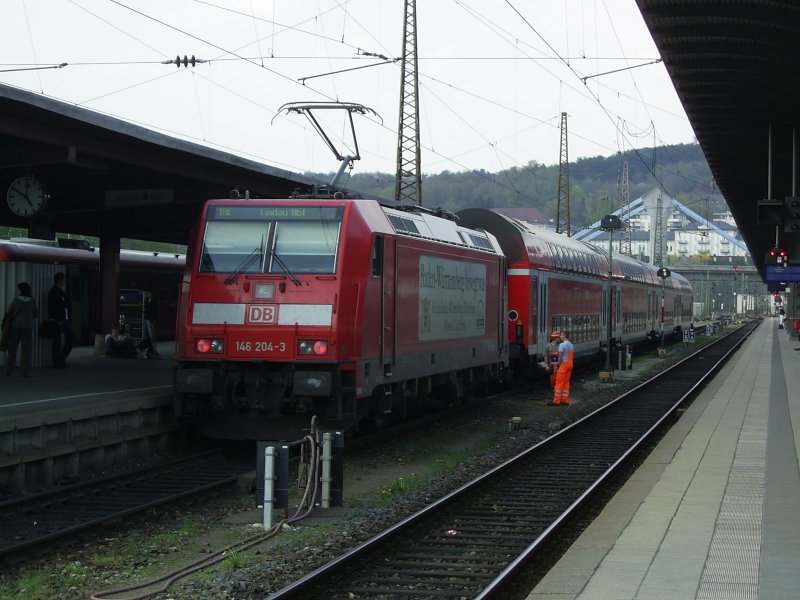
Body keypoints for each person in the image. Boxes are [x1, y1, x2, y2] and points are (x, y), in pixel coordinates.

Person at [4, 282, 39, 377]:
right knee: (26, 350)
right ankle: (25, 372)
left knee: (12, 349)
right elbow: (35, 314)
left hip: (16, 326)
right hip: (27, 327)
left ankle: (8, 371)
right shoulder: (32, 301)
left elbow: (8, 311)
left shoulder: (16, 300)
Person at [47, 272, 74, 368]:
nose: (64, 281)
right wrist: (55, 318)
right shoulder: (55, 292)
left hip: (63, 320)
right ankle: (59, 360)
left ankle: (60, 359)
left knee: (61, 340)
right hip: (59, 320)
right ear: (59, 280)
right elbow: (54, 307)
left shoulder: (60, 292)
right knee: (59, 341)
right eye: (63, 279)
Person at [550, 330, 574, 406]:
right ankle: (565, 400)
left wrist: (558, 365)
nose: (560, 337)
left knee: (559, 382)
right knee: (566, 382)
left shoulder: (562, 345)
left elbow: (560, 357)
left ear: (564, 335)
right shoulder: (571, 345)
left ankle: (556, 401)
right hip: (570, 364)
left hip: (564, 364)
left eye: (561, 335)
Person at [142, 291, 160, 358]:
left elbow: (152, 310)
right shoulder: (149, 300)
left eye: (145, 294)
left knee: (152, 335)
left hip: (150, 319)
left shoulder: (152, 301)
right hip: (148, 318)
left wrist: (153, 319)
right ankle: (151, 351)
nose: (144, 295)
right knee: (148, 335)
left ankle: (154, 352)